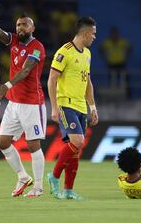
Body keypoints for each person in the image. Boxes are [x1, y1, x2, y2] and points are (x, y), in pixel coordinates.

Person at [0, 4, 46, 197]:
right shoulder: (13, 40)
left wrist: (6, 86)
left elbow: (26, 70)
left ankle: (37, 187)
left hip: (31, 103)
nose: (21, 28)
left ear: (32, 28)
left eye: (25, 25)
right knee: (3, 142)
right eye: (19, 25)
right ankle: (22, 176)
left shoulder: (37, 48)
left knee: (33, 145)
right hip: (14, 103)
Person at [47, 17, 99, 200]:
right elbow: (52, 79)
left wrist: (92, 107)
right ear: (84, 33)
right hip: (66, 104)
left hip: (80, 106)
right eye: (93, 34)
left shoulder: (87, 53)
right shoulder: (65, 52)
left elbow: (88, 82)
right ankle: (53, 176)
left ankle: (68, 190)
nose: (94, 37)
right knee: (77, 141)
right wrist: (54, 108)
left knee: (75, 150)